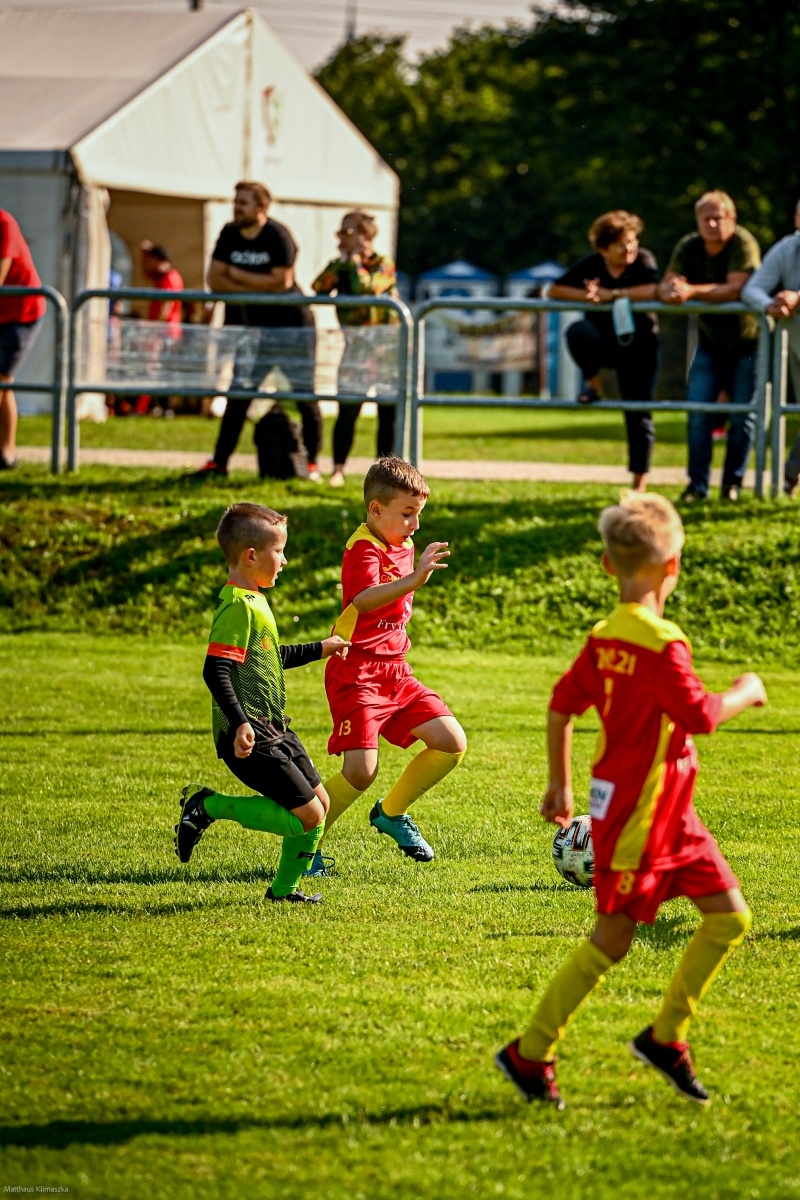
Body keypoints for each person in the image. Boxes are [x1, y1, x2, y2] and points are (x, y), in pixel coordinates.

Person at [495, 492, 766, 1110]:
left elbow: (562, 705)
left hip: (672, 814)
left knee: (730, 917)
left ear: (605, 564)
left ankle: (665, 1037)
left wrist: (559, 782)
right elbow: (700, 715)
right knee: (613, 939)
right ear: (673, 567)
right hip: (637, 819)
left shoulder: (604, 637)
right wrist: (747, 691)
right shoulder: (661, 642)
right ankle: (530, 1052)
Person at [174, 502, 350, 904]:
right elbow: (215, 669)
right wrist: (239, 722)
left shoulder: (254, 599)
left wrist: (320, 648)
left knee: (320, 806)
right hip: (250, 733)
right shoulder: (237, 606)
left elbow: (269, 657)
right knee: (309, 815)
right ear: (251, 556)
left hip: (274, 726)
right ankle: (207, 806)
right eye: (279, 551)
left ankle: (284, 891)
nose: (284, 560)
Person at [304, 456, 467, 875]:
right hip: (356, 672)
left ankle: (391, 813)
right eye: (407, 513)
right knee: (361, 771)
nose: (415, 524)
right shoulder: (363, 547)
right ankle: (304, 847)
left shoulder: (404, 544)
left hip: (396, 671)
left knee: (451, 742)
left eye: (419, 514)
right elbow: (363, 600)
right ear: (376, 509)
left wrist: (413, 572)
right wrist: (415, 579)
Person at [192, 182, 323, 482]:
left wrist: (236, 275)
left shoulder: (278, 235)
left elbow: (281, 282)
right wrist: (256, 284)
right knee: (239, 394)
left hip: (292, 328)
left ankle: (312, 464)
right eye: (235, 202)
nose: (236, 208)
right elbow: (215, 279)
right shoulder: (229, 233)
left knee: (304, 395)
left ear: (262, 207)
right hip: (254, 331)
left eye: (244, 203)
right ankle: (219, 463)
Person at [658, 191, 760, 502]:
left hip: (748, 345)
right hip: (710, 345)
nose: (713, 224)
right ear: (698, 221)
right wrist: (671, 292)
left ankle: (732, 485)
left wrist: (690, 292)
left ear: (732, 219)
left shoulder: (742, 243)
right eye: (707, 218)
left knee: (742, 417)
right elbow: (667, 284)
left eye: (719, 218)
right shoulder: (689, 245)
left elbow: (736, 288)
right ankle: (696, 487)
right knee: (698, 413)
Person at [549, 211, 660, 492]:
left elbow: (653, 289)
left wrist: (613, 295)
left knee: (638, 413)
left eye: (632, 241)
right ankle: (594, 384)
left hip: (640, 347)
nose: (629, 249)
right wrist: (587, 296)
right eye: (621, 245)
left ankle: (638, 485)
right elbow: (554, 290)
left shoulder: (644, 260)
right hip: (605, 344)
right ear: (603, 249)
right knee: (577, 332)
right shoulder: (592, 264)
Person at [312, 211, 400, 487]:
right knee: (347, 411)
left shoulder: (383, 264)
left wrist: (356, 264)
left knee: (388, 415)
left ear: (365, 236)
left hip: (386, 352)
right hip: (356, 351)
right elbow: (318, 287)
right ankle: (337, 470)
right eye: (340, 232)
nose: (341, 238)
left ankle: (386, 476)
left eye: (348, 232)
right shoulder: (341, 266)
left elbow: (369, 289)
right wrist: (343, 264)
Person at [741, 199, 800, 496]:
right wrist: (770, 305)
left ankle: (789, 475)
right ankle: (789, 476)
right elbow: (751, 288)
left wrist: (797, 297)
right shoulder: (787, 248)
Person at [0, 209, 46, 470]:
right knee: (4, 382)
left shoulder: (3, 223)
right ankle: (6, 452)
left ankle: (6, 451)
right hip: (2, 313)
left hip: (22, 314)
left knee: (1, 377)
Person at [140, 240, 184, 327]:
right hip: (163, 327)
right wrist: (145, 255)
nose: (149, 264)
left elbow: (167, 306)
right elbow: (147, 274)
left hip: (165, 329)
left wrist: (156, 327)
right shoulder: (163, 277)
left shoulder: (169, 278)